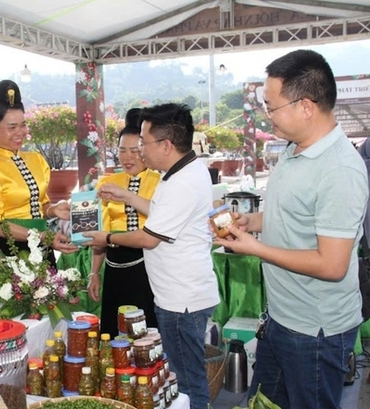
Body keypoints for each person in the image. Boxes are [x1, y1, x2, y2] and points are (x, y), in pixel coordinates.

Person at [215, 49, 368, 409]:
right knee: (264, 403)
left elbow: (332, 265)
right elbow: (291, 214)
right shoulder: (294, 150)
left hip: (314, 332)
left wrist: (255, 248)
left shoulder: (339, 171)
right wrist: (251, 223)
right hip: (282, 317)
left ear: (306, 106)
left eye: (272, 107)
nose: (268, 117)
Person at [82, 103, 218, 409]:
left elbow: (148, 238)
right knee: (179, 373)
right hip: (178, 293)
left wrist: (107, 238)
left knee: (185, 378)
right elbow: (161, 215)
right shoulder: (182, 172)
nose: (139, 150)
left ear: (166, 145)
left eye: (143, 142)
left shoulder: (180, 182)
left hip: (181, 299)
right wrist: (127, 196)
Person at [0, 80, 77, 257]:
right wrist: (40, 236)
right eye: (12, 127)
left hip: (45, 242)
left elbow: (41, 204)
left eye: (23, 125)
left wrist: (53, 210)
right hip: (11, 247)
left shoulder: (36, 160)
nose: (20, 132)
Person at [87, 108, 161, 338]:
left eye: (135, 150)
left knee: (145, 332)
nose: (127, 157)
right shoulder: (108, 183)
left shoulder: (160, 182)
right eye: (122, 150)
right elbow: (101, 231)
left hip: (147, 268)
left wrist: (126, 196)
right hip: (114, 267)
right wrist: (94, 273)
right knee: (112, 330)